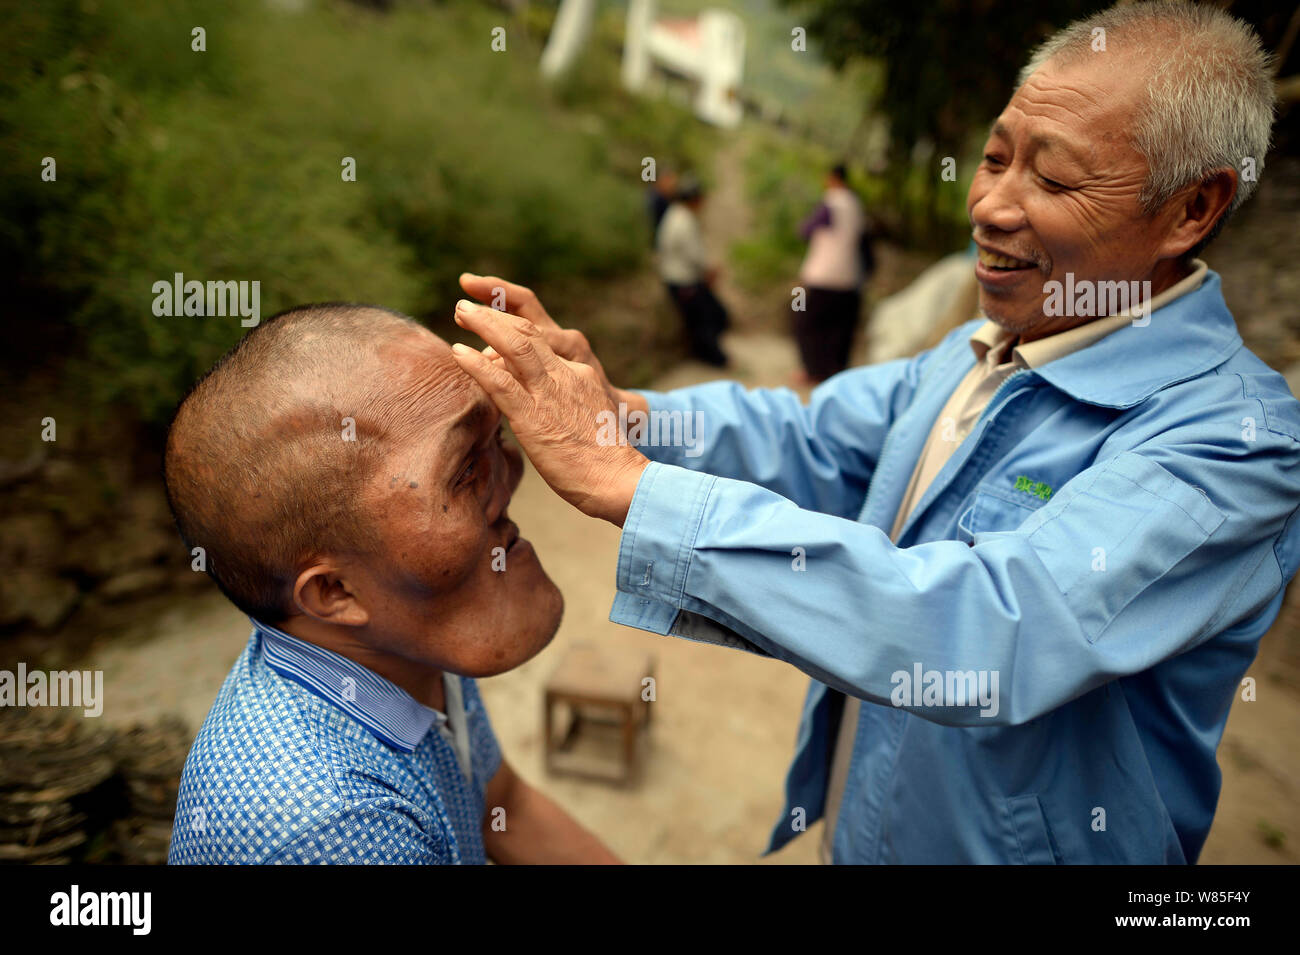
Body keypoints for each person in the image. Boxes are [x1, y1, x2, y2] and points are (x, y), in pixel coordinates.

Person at [449, 0, 1300, 864]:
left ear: (1191, 208)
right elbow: (812, 436)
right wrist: (623, 415)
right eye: (996, 158)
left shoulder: (1234, 444)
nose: (991, 207)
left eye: (1053, 180)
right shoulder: (983, 348)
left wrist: (631, 487)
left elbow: (991, 627)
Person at [164, 304, 619, 864]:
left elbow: (505, 808)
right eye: (465, 470)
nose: (514, 472)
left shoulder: (399, 645)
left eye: (495, 436)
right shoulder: (326, 825)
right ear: (334, 592)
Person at [793, 163, 869, 383]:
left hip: (823, 276)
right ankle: (835, 372)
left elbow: (805, 230)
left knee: (807, 325)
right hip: (850, 278)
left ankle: (813, 371)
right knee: (839, 329)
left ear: (832, 178)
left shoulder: (831, 202)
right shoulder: (856, 204)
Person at [656, 174, 730, 367]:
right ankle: (716, 359)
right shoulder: (684, 220)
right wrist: (709, 270)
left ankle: (706, 355)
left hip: (678, 278)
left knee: (703, 319)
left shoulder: (674, 214)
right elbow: (694, 254)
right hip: (684, 280)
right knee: (707, 320)